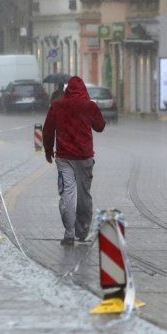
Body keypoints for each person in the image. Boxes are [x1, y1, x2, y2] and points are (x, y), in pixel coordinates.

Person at [42, 76, 106, 246]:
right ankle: (83, 230)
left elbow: (48, 130)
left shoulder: (57, 106)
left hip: (64, 158)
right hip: (85, 157)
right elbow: (100, 126)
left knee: (67, 194)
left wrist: (48, 150)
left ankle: (69, 233)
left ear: (67, 90)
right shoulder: (89, 106)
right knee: (84, 194)